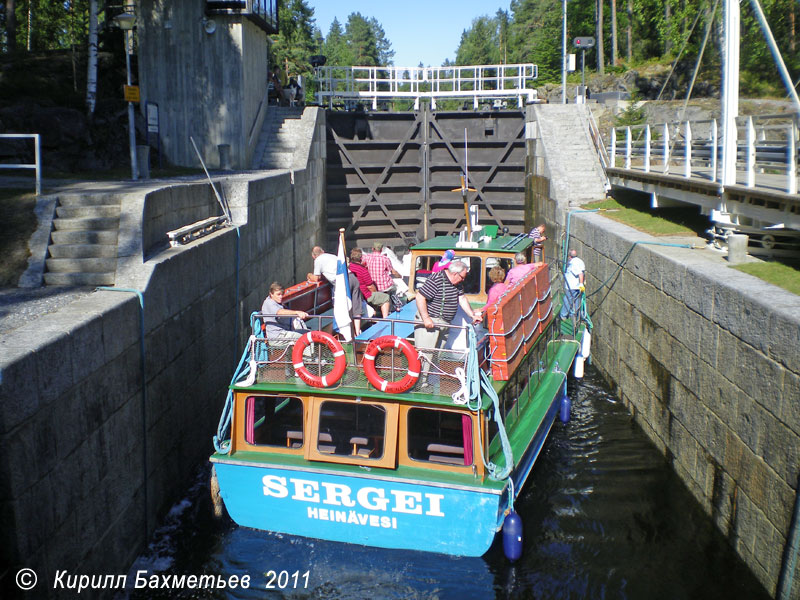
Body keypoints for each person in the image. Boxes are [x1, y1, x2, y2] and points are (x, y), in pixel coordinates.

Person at [414, 261, 483, 387]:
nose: (463, 280)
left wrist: (472, 314)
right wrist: (426, 318)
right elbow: (420, 297)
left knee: (437, 354)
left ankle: (428, 381)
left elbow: (461, 298)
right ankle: (419, 383)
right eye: (462, 277)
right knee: (426, 353)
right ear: (455, 274)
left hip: (445, 323)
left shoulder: (457, 284)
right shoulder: (437, 279)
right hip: (431, 323)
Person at [307, 245, 364, 335]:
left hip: (343, 283)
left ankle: (348, 334)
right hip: (352, 278)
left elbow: (316, 278)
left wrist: (309, 275)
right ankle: (357, 332)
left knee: (343, 308)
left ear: (314, 256)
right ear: (323, 251)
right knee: (356, 307)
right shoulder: (332, 256)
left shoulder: (318, 260)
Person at [349, 247, 391, 318]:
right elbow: (370, 286)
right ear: (361, 258)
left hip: (354, 293)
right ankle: (385, 319)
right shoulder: (363, 270)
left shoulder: (349, 267)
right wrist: (376, 292)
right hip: (364, 294)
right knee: (385, 297)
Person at [560, 249, 586, 320]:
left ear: (569, 256)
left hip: (572, 286)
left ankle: (563, 315)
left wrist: (581, 284)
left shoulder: (573, 263)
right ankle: (575, 315)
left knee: (567, 299)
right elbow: (583, 272)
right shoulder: (580, 261)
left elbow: (580, 273)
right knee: (576, 300)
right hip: (577, 287)